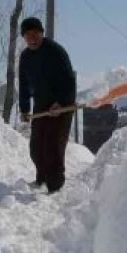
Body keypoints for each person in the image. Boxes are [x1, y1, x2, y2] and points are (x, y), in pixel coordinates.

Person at [18, 16, 77, 194]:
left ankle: (55, 186)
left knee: (52, 146)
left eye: (35, 33)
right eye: (28, 35)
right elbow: (23, 84)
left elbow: (69, 79)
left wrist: (60, 103)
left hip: (61, 106)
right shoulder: (25, 57)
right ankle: (41, 178)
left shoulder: (55, 51)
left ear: (42, 33)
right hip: (41, 106)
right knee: (36, 148)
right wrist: (24, 108)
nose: (32, 38)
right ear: (24, 37)